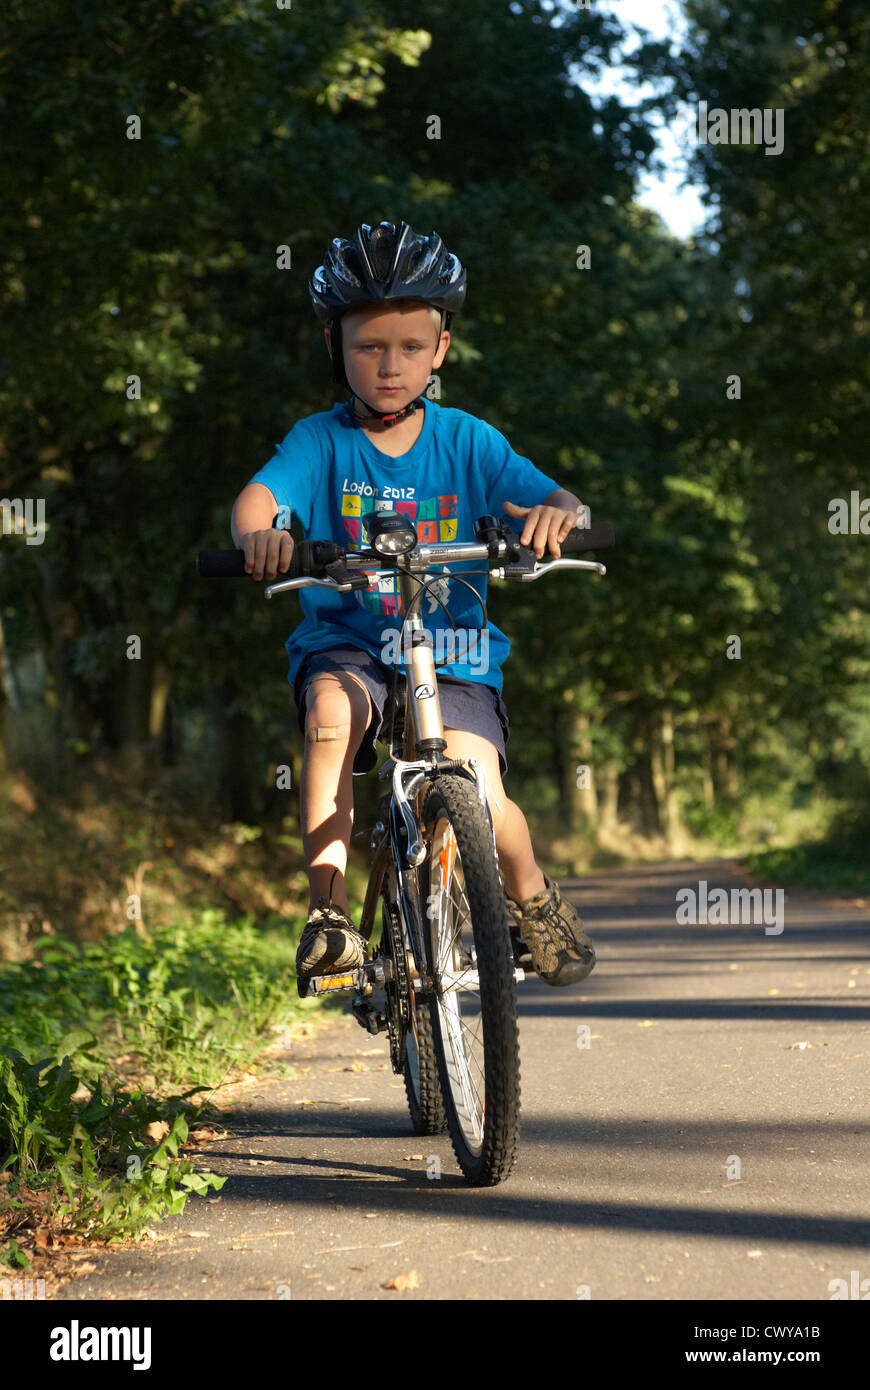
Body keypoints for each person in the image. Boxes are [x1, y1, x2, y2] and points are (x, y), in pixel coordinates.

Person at [230, 220, 596, 992]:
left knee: (483, 793)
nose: (389, 365)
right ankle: (328, 916)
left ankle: (532, 899)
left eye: (409, 346)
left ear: (440, 351)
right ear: (337, 348)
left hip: (454, 650)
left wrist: (559, 516)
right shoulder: (320, 442)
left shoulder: (469, 440)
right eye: (369, 346)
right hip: (350, 641)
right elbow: (260, 498)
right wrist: (261, 534)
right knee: (331, 719)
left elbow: (558, 498)